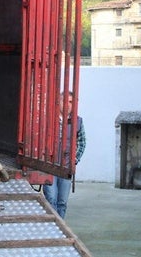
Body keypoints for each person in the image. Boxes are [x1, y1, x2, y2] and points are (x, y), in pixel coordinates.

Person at [43, 91, 86, 219]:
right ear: (59, 102)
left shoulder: (77, 121)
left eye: (71, 102)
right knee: (51, 199)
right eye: (65, 101)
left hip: (66, 166)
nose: (68, 105)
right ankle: (52, 229)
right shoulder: (49, 119)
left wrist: (75, 160)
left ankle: (60, 230)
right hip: (49, 165)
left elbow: (82, 142)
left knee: (62, 202)